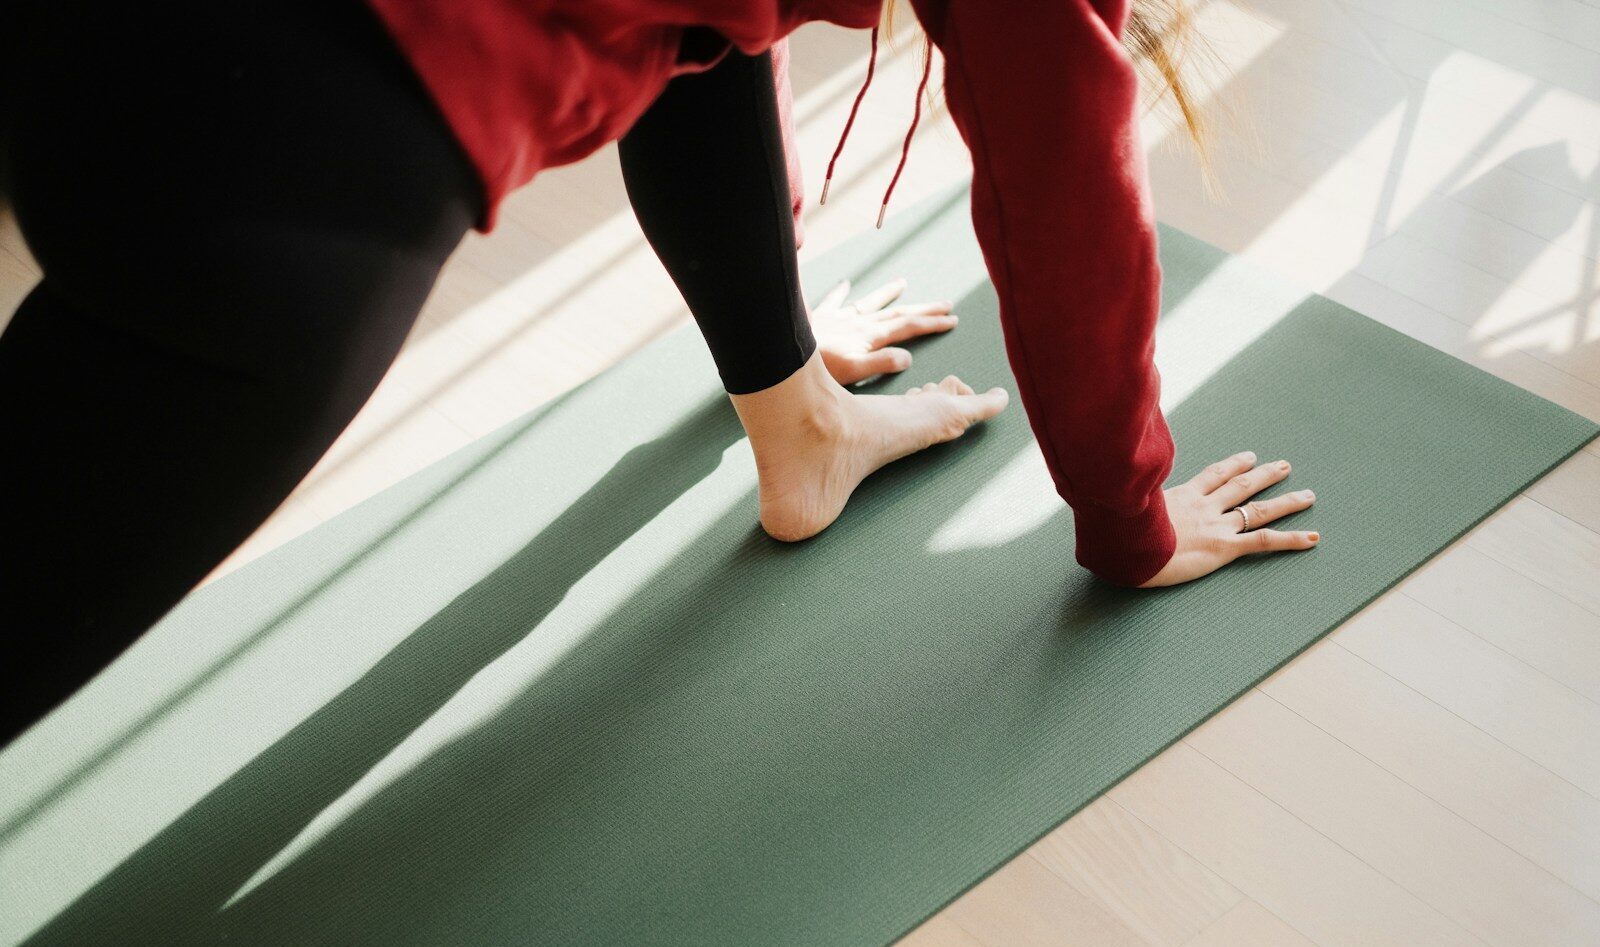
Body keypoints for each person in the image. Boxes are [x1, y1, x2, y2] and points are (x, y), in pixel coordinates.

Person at [0, 0, 1315, 741]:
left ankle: (800, 426)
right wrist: (1129, 514)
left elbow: (711, 45)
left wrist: (781, 351)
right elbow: (1065, 192)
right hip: (284, 169)